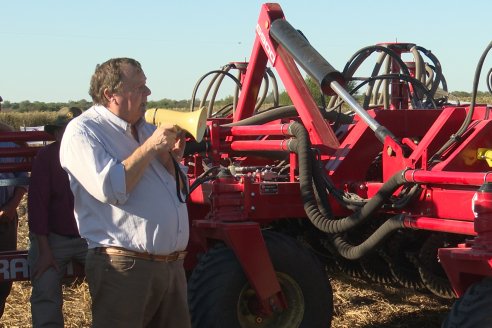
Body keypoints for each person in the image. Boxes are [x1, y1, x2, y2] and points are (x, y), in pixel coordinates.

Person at [59, 58, 191, 328]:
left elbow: (181, 192)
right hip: (125, 269)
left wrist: (171, 162)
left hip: (170, 268)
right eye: (140, 87)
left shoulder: (146, 130)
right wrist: (150, 149)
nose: (148, 94)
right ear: (111, 94)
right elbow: (110, 188)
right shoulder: (83, 131)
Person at [27, 106, 88, 327]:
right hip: (53, 239)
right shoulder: (46, 157)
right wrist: (44, 251)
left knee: (113, 284)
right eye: (66, 130)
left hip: (91, 239)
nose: (72, 135)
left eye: (78, 130)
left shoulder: (95, 154)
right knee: (45, 287)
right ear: (56, 134)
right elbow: (38, 207)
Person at [0, 105, 28, 317]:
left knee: (4, 275)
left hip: (5, 217)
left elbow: (22, 176)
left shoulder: (12, 137)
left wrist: (11, 207)